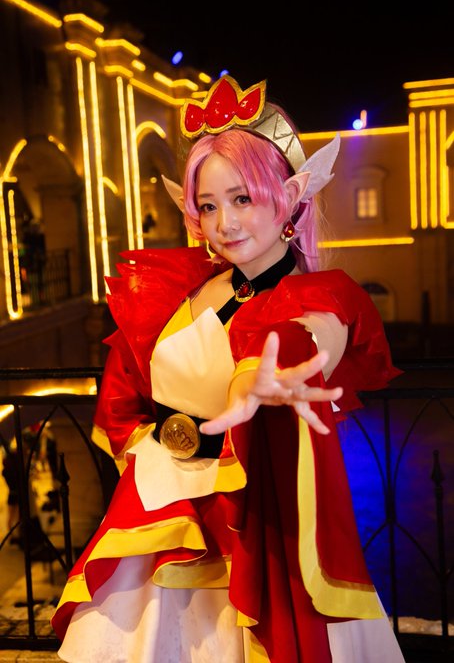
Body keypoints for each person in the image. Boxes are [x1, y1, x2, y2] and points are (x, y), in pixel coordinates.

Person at [51, 75, 405, 662]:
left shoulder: (318, 294)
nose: (225, 224)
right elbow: (126, 390)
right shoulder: (180, 290)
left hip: (249, 524)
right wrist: (150, 446)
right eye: (209, 206)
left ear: (289, 196)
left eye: (243, 199)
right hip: (160, 513)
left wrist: (262, 381)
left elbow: (301, 337)